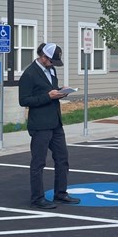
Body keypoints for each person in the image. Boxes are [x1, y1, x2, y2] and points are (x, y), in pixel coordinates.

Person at [18, 42, 80, 209]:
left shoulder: (51, 70)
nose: (53, 64)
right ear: (43, 57)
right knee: (38, 163)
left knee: (62, 158)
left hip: (55, 122)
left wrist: (61, 91)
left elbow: (50, 90)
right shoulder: (29, 74)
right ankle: (37, 198)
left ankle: (61, 193)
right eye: (52, 61)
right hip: (40, 124)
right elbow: (24, 100)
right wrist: (48, 96)